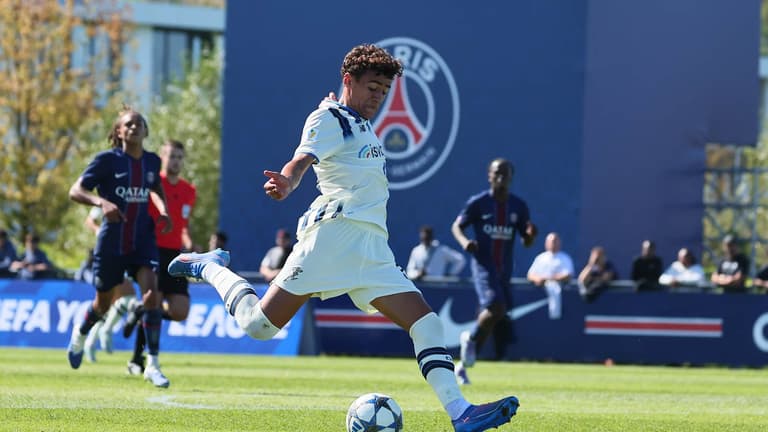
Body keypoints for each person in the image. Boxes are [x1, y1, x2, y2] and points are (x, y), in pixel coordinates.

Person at [168, 44, 519, 432]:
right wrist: (288, 181)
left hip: (371, 246)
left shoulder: (353, 119)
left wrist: (343, 107)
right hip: (333, 238)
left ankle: (461, 412)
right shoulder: (327, 117)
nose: (378, 97)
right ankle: (211, 266)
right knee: (259, 326)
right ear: (349, 81)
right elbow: (302, 158)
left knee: (426, 323)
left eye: (384, 91)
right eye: (372, 87)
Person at [66, 107, 174, 388]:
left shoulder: (151, 162)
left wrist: (163, 210)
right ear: (118, 131)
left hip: (143, 241)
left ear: (146, 131)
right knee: (102, 304)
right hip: (112, 243)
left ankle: (152, 363)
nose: (135, 127)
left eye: (140, 123)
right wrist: (100, 202)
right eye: (129, 124)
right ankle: (80, 334)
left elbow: (156, 189)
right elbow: (75, 191)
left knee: (152, 295)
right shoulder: (106, 161)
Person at [451, 157, 537, 386]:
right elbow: (457, 225)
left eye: (505, 173)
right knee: (496, 307)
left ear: (511, 177)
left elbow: (526, 241)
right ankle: (469, 340)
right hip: (483, 266)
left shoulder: (518, 206)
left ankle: (463, 366)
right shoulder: (479, 203)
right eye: (496, 172)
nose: (501, 177)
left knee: (493, 316)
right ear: (489, 175)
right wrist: (465, 242)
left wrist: (530, 236)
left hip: (504, 270)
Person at [122, 139, 197, 376]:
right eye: (170, 156)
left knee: (180, 311)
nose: (174, 160)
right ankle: (137, 360)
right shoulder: (154, 185)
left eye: (178, 156)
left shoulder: (189, 191)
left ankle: (139, 310)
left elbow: (182, 224)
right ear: (162, 158)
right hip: (152, 250)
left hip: (175, 254)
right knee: (153, 303)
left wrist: (188, 242)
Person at [80, 206, 138, 363]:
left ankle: (90, 343)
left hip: (123, 254)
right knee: (127, 297)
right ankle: (105, 331)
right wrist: (98, 230)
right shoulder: (107, 198)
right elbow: (89, 220)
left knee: (108, 307)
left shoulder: (134, 196)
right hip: (106, 256)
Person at [526, 232, 574, 319]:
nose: (553, 243)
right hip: (537, 299)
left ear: (559, 243)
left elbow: (568, 275)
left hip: (562, 298)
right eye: (551, 241)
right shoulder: (540, 258)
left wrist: (548, 279)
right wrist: (537, 279)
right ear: (546, 243)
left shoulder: (565, 258)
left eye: (555, 241)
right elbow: (530, 275)